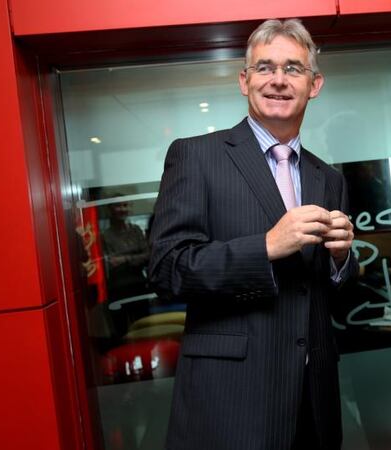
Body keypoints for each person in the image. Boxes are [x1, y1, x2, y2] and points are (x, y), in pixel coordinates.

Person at [149, 18, 357, 450]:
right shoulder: (195, 156)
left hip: (313, 402)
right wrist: (266, 247)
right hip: (230, 401)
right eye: (265, 67)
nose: (278, 80)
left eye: (293, 68)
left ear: (314, 84)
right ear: (244, 81)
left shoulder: (328, 178)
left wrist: (341, 260)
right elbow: (167, 269)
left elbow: (328, 296)